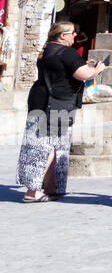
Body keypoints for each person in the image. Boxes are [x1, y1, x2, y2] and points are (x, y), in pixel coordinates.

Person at [16, 22, 105, 202]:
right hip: (58, 104)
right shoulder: (68, 52)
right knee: (52, 146)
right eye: (73, 33)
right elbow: (83, 75)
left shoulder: (47, 51)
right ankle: (33, 192)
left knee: (40, 145)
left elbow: (64, 70)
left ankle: (49, 187)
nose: (75, 36)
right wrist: (97, 70)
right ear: (62, 35)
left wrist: (84, 66)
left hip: (39, 101)